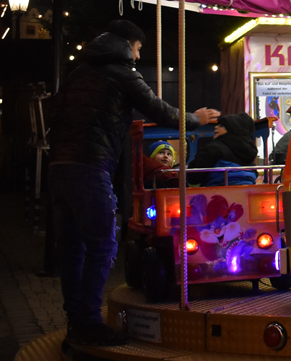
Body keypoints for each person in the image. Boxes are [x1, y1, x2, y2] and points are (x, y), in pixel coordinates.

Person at [48, 20, 217, 347]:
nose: (138, 56)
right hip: (91, 166)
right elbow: (161, 111)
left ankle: (75, 321)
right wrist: (196, 119)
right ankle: (89, 323)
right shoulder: (122, 72)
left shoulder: (78, 74)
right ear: (128, 44)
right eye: (138, 49)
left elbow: (58, 115)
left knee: (72, 248)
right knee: (102, 244)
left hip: (59, 167)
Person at [188, 113, 259, 186]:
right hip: (248, 191)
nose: (216, 127)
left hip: (216, 191)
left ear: (232, 129)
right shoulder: (249, 154)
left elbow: (193, 177)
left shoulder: (213, 148)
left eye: (221, 125)